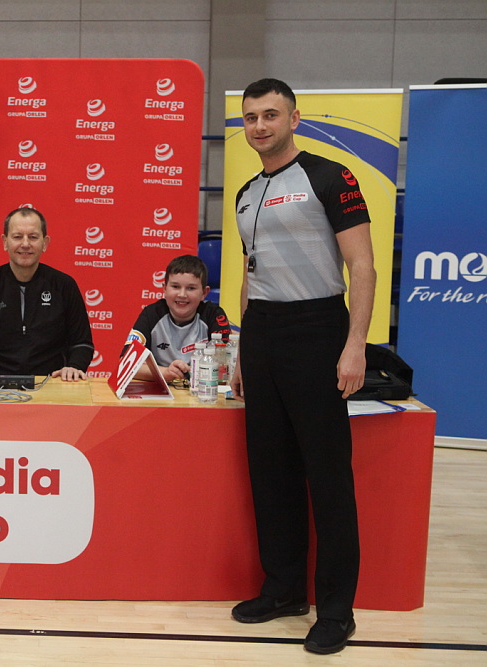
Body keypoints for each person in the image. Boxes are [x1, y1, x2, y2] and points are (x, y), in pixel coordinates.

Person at [229, 79, 376, 655]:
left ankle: (337, 610)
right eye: (250, 117)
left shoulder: (330, 176)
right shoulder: (245, 193)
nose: (259, 126)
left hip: (317, 329)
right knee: (271, 471)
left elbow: (361, 266)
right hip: (263, 332)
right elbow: (251, 273)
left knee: (327, 476)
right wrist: (243, 349)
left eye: (270, 115)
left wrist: (355, 343)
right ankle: (284, 590)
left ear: (294, 118)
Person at [0, 206, 94, 381]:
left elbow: (82, 343)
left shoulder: (64, 286)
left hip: (52, 383)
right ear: (5, 241)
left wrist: (74, 366)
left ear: (45, 243)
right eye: (17, 237)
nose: (26, 244)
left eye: (33, 237)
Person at [123, 254, 230, 382]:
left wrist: (192, 372)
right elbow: (125, 364)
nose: (182, 294)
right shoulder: (151, 314)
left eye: (191, 288)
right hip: (162, 388)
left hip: (203, 388)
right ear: (164, 288)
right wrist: (165, 372)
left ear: (204, 293)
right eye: (175, 287)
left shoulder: (214, 315)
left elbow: (226, 365)